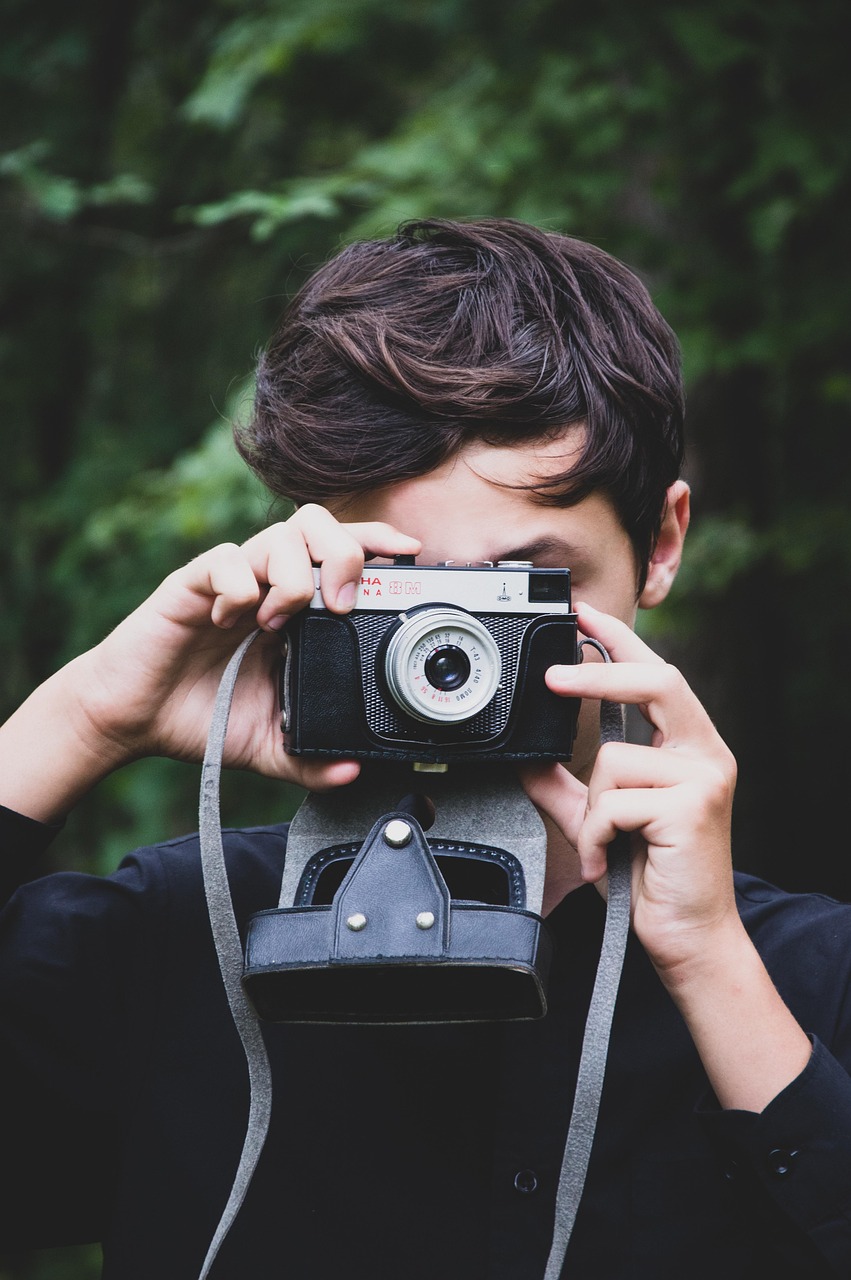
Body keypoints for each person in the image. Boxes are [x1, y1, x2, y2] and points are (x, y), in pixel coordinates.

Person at [1, 217, 850, 1280]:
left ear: (660, 543)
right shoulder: (173, 938)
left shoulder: (803, 978)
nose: (457, 651)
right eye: (407, 589)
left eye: (528, 587)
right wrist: (81, 718)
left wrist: (712, 965)